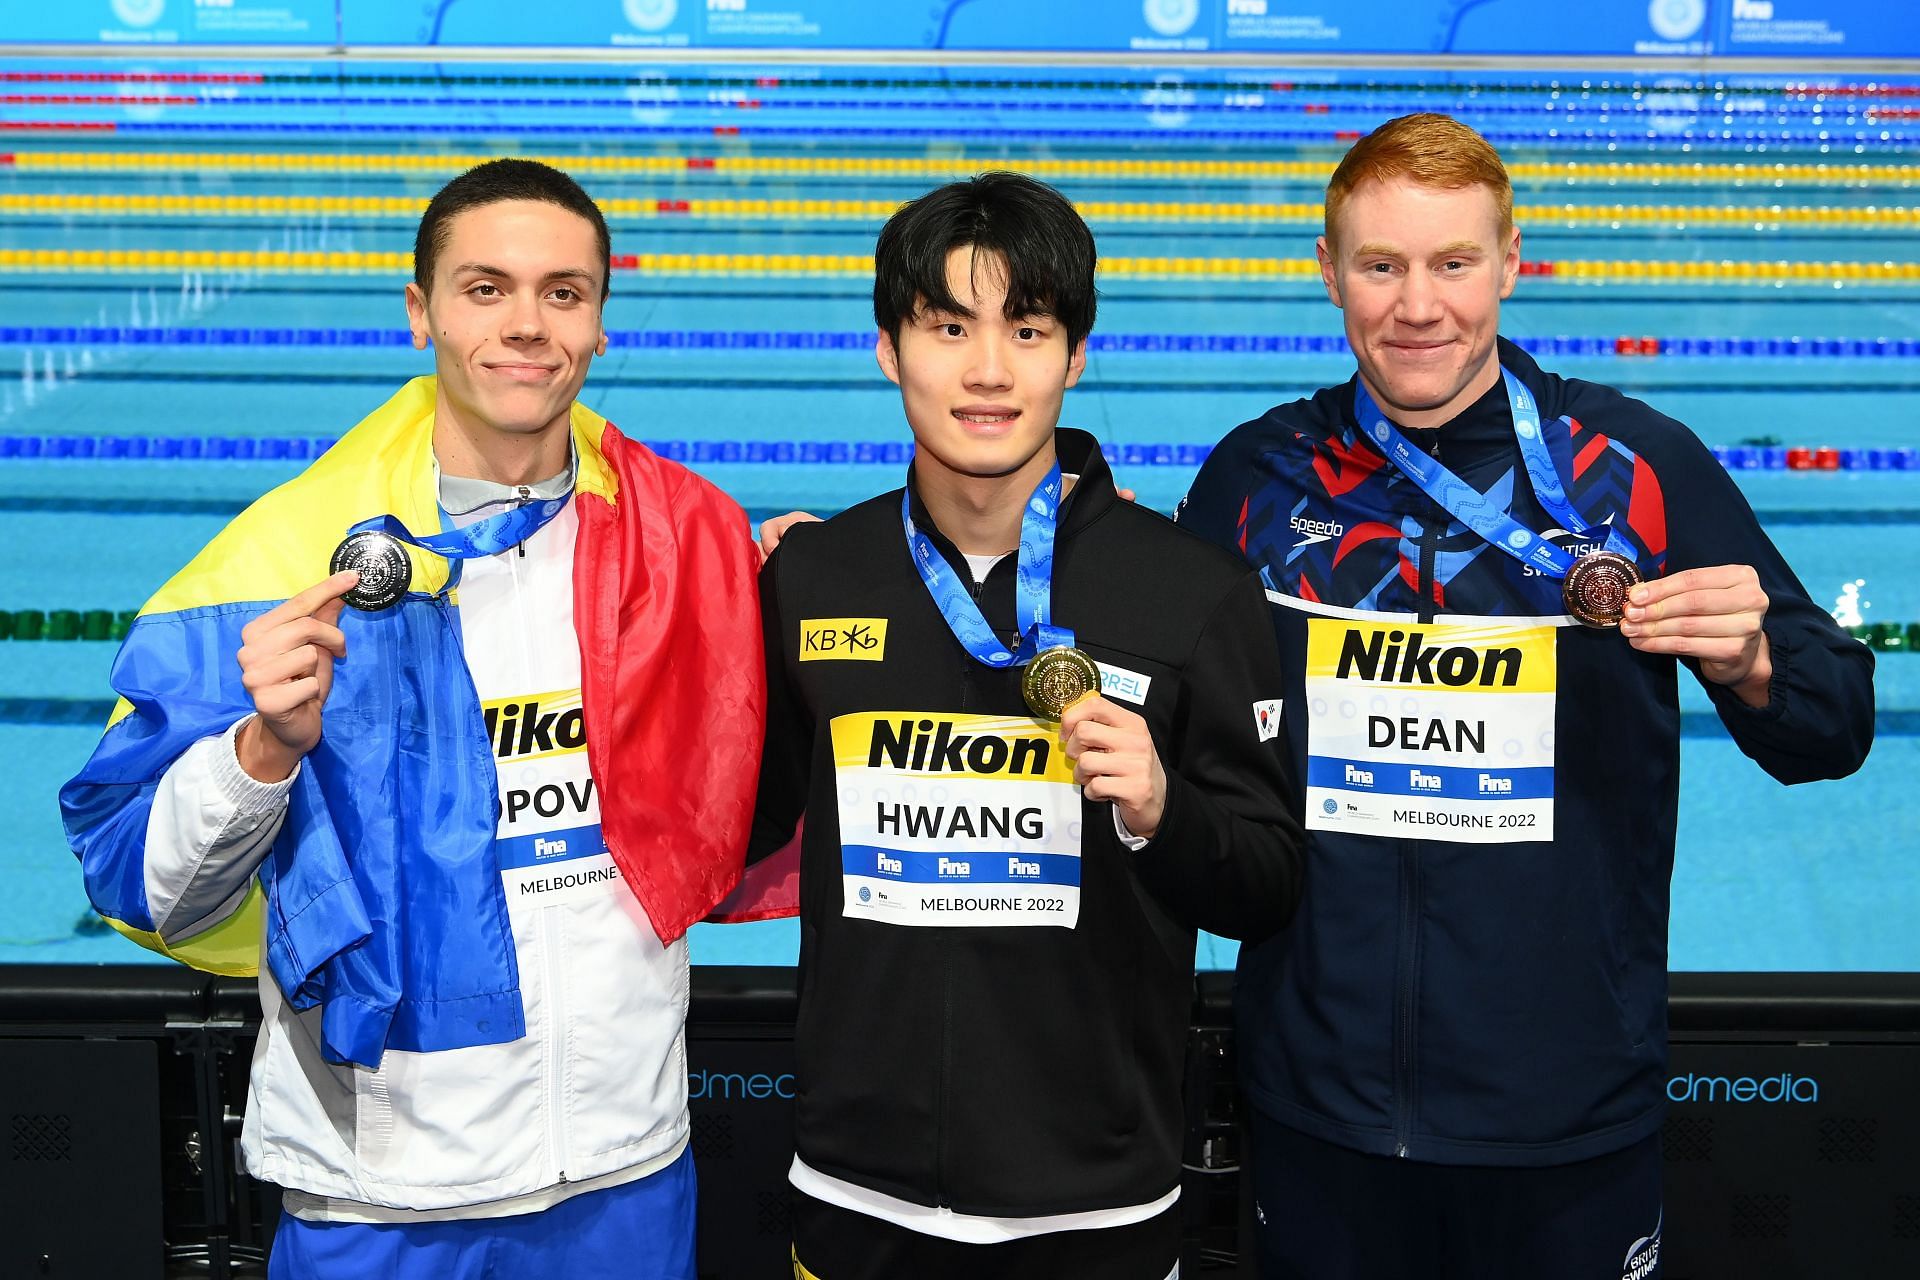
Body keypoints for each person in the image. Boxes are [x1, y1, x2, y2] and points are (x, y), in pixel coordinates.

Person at [1174, 112, 1876, 1279]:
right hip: (1320, 1101)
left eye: (1453, 263)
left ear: (1509, 261)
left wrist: (1753, 664)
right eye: (1381, 265)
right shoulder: (1260, 474)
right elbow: (1161, 705)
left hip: (1565, 1111)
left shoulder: (1634, 467)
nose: (1417, 306)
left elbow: (1837, 722)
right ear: (1328, 268)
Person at [60, 158, 765, 1278]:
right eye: (486, 288)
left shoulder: (682, 545)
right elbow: (143, 885)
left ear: (598, 321)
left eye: (563, 292)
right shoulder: (288, 558)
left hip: (624, 1171)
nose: (527, 325)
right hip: (382, 1189)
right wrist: (260, 754)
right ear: (420, 310)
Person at [748, 171, 1306, 1280]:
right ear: (888, 348)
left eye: (1029, 327)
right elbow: (732, 823)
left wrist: (1162, 807)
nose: (989, 370)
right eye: (948, 326)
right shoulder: (813, 576)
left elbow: (1269, 883)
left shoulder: (1188, 591)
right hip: (858, 1191)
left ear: (1075, 355)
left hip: (1097, 1209)